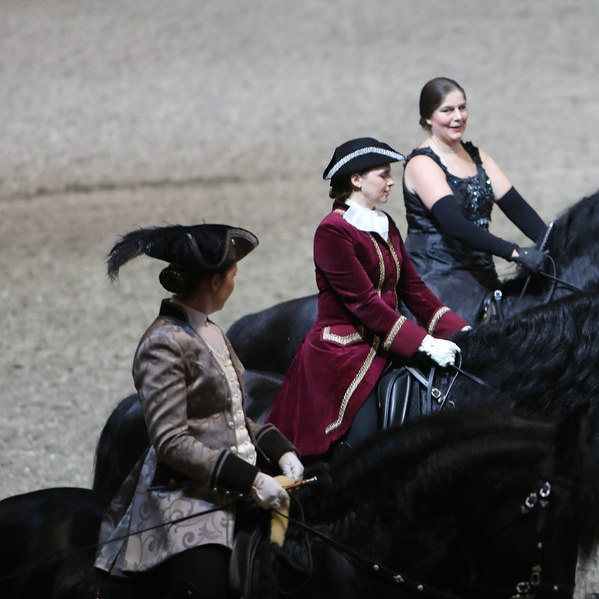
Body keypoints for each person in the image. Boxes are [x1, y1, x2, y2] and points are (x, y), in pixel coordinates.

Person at [96, 224, 304, 599]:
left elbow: (232, 414)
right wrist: (252, 480)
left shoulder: (211, 332)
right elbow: (171, 441)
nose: (233, 283)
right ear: (214, 282)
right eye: (233, 275)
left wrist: (280, 450)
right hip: (187, 498)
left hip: (237, 487)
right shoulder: (162, 344)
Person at [266, 137, 469, 460]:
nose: (391, 181)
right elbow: (364, 305)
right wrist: (425, 344)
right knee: (365, 444)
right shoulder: (332, 231)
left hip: (388, 343)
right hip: (344, 351)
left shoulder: (385, 224)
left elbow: (414, 289)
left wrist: (461, 331)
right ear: (356, 180)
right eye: (383, 174)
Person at [403, 77, 550, 323]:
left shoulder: (477, 156)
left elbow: (517, 208)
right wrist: (513, 252)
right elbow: (455, 225)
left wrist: (552, 242)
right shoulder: (422, 164)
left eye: (462, 107)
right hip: (438, 276)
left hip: (481, 273)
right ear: (428, 117)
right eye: (447, 110)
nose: (458, 117)